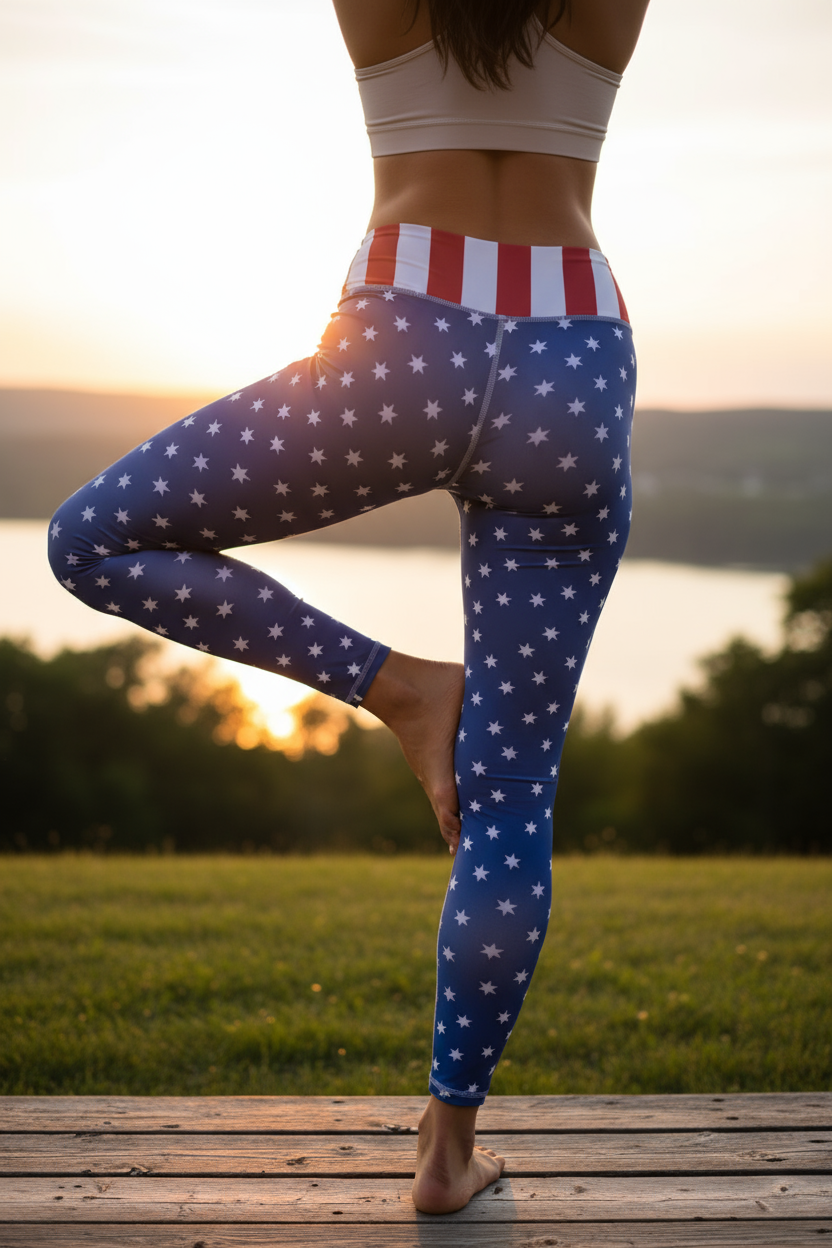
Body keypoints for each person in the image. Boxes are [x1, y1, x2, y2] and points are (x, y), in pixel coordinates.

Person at [48, 0, 650, 1215]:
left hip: (403, 338)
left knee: (92, 537)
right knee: (515, 789)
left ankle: (396, 684)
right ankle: (446, 1156)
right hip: (573, 356)